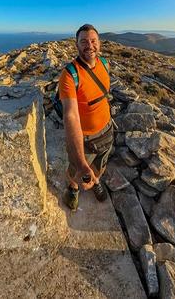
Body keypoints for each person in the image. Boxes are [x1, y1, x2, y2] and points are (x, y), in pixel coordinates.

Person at [59, 23, 114, 210]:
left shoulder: (105, 64)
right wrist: (81, 162)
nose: (89, 45)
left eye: (93, 41)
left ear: (99, 43)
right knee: (76, 170)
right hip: (85, 137)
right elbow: (71, 116)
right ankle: (73, 188)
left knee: (100, 163)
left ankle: (95, 180)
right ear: (76, 45)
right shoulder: (69, 75)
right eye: (83, 41)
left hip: (107, 129)